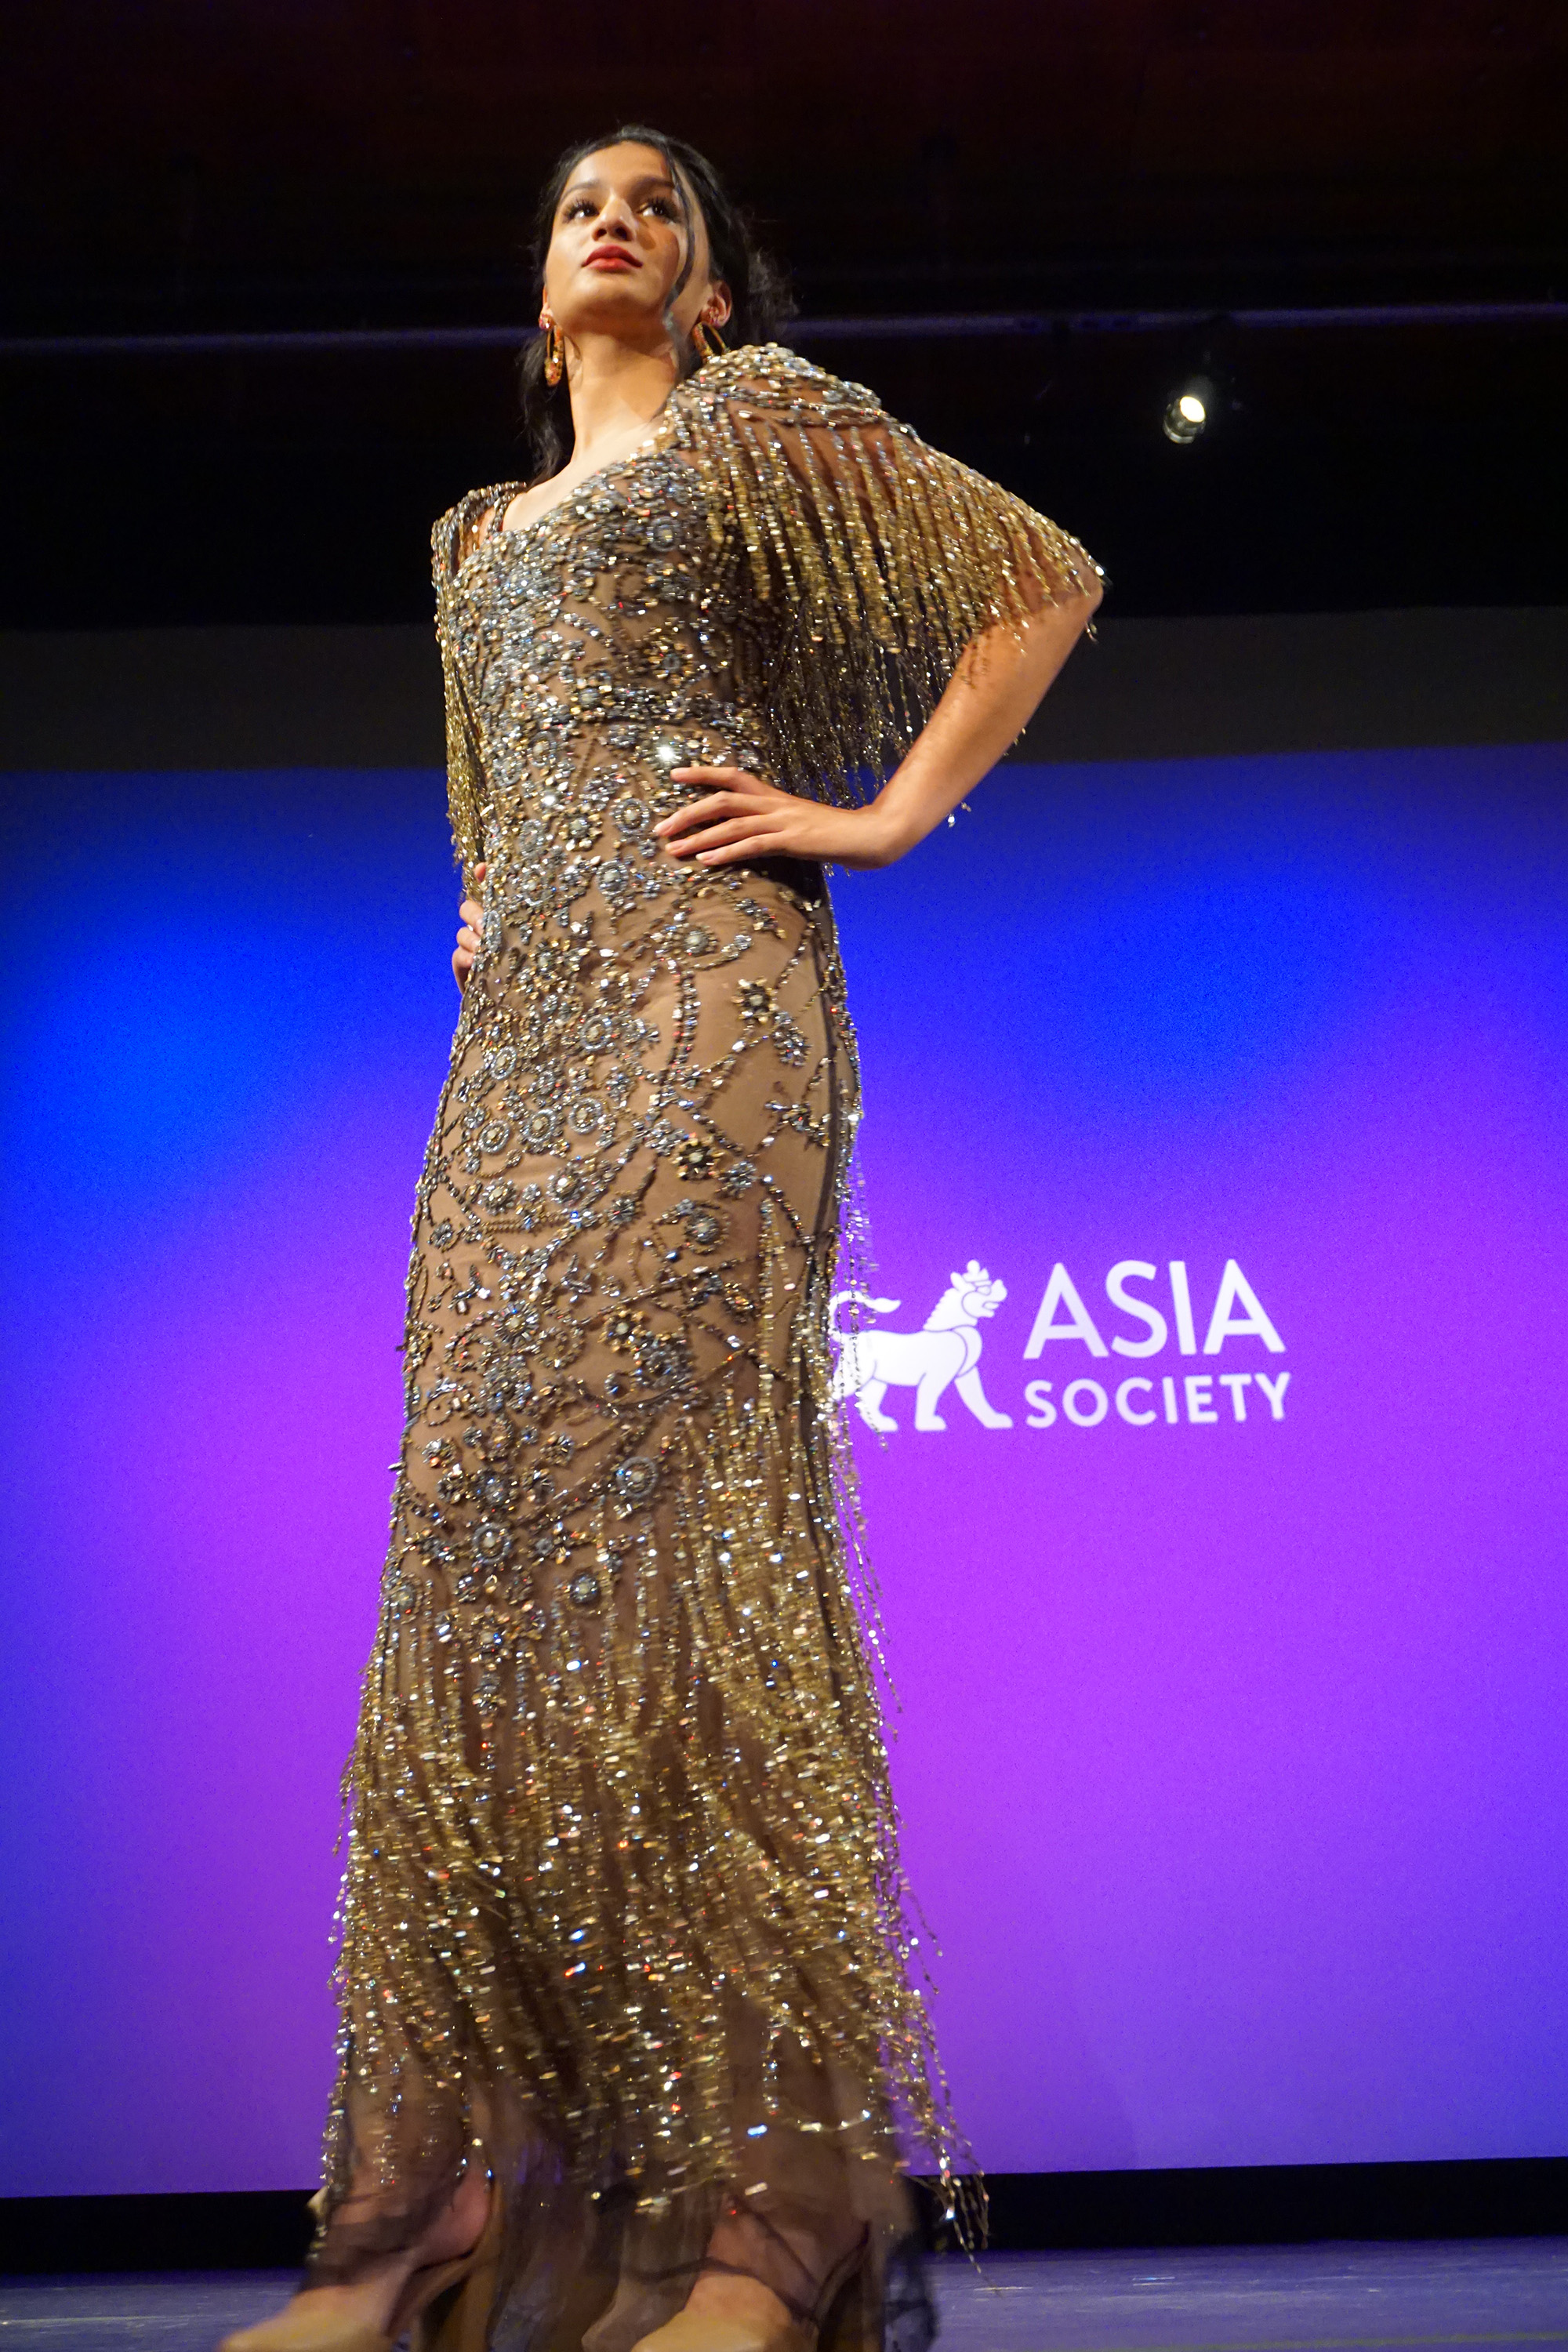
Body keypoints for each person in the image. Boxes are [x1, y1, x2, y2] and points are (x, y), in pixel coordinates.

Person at [223, 125, 1100, 2352]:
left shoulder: (759, 421)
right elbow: (487, 815)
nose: (614, 220)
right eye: (576, 205)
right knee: (476, 1578)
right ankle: (436, 2221)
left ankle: (764, 2217)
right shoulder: (470, 541)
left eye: (660, 209)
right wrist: (495, 927)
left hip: (718, 1009)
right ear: (540, 298)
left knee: (686, 1564)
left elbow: (1043, 581)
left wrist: (883, 813)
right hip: (519, 1071)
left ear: (707, 294)